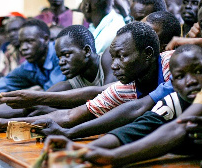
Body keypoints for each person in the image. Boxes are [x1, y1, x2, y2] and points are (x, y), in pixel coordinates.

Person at [0, 22, 173, 132]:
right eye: (114, 57)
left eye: (122, 57)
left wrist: (71, 133)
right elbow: (70, 116)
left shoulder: (173, 64)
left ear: (147, 54)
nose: (114, 64)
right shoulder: (126, 86)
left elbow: (136, 107)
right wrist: (5, 124)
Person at [43, 44, 202, 167]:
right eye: (181, 76)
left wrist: (115, 157)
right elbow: (136, 129)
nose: (191, 81)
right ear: (173, 83)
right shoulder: (173, 101)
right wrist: (84, 149)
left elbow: (177, 128)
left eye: (199, 71)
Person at [0, 25, 117, 119]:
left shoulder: (107, 57)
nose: (61, 62)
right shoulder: (68, 79)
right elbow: (29, 104)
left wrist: (37, 99)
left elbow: (106, 94)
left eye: (66, 55)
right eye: (59, 57)